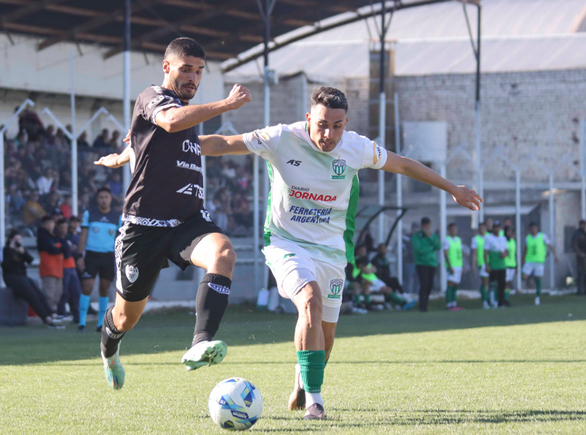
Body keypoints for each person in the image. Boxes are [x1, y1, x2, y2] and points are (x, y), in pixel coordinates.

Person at [196, 86, 480, 420]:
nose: (329, 134)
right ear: (308, 118)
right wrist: (155, 144)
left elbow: (403, 165)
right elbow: (220, 144)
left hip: (332, 250)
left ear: (346, 123)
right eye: (321, 124)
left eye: (337, 125)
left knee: (326, 338)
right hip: (287, 243)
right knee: (309, 300)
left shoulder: (356, 147)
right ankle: (315, 402)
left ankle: (304, 382)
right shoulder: (280, 138)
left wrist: (453, 189)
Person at [93, 37, 251, 390]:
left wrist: (265, 141)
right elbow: (169, 122)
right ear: (167, 68)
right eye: (185, 69)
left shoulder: (187, 114)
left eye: (199, 71)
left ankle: (200, 344)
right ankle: (109, 351)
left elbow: (177, 141)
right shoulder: (153, 97)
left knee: (223, 252)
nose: (193, 78)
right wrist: (226, 103)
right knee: (124, 317)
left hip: (187, 221)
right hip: (143, 228)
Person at [76, 188, 121, 332]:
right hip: (91, 256)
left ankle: (100, 323)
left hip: (107, 256)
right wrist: (79, 255)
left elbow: (119, 239)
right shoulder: (90, 214)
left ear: (110, 199)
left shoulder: (116, 217)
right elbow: (83, 235)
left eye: (106, 197)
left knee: (104, 288)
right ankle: (81, 321)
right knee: (87, 287)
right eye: (101, 197)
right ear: (97, 199)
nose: (103, 199)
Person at [0, 229, 64, 329]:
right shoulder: (5, 250)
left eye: (20, 239)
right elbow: (5, 265)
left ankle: (51, 314)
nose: (18, 241)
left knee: (39, 293)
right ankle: (46, 318)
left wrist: (23, 252)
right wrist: (12, 249)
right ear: (11, 239)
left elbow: (30, 260)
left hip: (22, 276)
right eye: (16, 239)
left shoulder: (21, 249)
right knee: (32, 296)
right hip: (12, 276)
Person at [523, 222, 558, 305]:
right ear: (530, 229)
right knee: (523, 277)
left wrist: (556, 256)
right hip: (529, 261)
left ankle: (537, 297)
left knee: (538, 279)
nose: (533, 229)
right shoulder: (528, 238)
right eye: (532, 227)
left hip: (539, 262)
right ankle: (530, 283)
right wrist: (522, 258)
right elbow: (525, 249)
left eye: (534, 227)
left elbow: (550, 246)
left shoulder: (542, 236)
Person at [37, 215, 66, 310]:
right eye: (47, 223)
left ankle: (53, 312)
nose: (49, 225)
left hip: (58, 269)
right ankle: (47, 314)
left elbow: (66, 248)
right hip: (48, 269)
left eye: (51, 223)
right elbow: (51, 249)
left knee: (57, 294)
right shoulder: (41, 236)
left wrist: (58, 246)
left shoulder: (55, 236)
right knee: (49, 294)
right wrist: (59, 247)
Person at [412, 217, 441, 313]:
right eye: (424, 225)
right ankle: (422, 306)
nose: (426, 227)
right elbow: (418, 250)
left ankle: (426, 304)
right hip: (421, 263)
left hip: (432, 263)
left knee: (430, 285)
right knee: (424, 284)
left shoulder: (432, 235)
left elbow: (438, 246)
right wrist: (430, 248)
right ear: (422, 226)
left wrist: (429, 237)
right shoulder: (416, 236)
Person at [58, 216, 83, 321]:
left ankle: (77, 315)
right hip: (63, 266)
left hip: (72, 265)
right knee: (65, 292)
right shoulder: (62, 237)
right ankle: (61, 313)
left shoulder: (76, 236)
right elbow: (67, 251)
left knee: (76, 291)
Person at [485, 220, 509, 308]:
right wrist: (487, 264)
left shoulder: (503, 238)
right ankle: (491, 301)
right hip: (493, 265)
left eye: (498, 227)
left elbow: (506, 251)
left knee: (502, 285)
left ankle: (501, 302)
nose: (496, 229)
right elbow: (486, 252)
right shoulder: (489, 238)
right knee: (492, 285)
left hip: (502, 265)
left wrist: (505, 254)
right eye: (495, 227)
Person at [442, 222, 464, 311]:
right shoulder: (446, 240)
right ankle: (449, 304)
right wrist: (450, 266)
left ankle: (454, 304)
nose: (454, 230)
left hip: (458, 266)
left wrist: (463, 265)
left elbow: (459, 253)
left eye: (455, 229)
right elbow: (446, 254)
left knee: (455, 285)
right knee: (450, 284)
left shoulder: (458, 239)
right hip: (451, 266)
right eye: (452, 229)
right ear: (449, 231)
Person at [471, 222, 491, 309]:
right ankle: (484, 301)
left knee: (491, 283)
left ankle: (491, 300)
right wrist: (473, 265)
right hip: (482, 263)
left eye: (484, 228)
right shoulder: (475, 239)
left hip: (492, 263)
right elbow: (474, 253)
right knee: (485, 282)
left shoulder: (490, 237)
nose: (482, 229)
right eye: (480, 228)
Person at [572, 220, 586, 295]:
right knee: (581, 273)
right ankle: (580, 290)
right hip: (581, 257)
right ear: (580, 225)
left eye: (585, 225)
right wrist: (580, 253)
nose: (584, 226)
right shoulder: (577, 233)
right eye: (582, 225)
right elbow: (574, 245)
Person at [504, 226, 517, 303]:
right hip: (505, 265)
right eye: (508, 231)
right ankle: (501, 299)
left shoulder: (513, 241)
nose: (510, 233)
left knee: (508, 283)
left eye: (511, 231)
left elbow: (514, 254)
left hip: (512, 264)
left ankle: (506, 298)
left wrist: (516, 266)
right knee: (504, 283)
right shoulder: (503, 240)